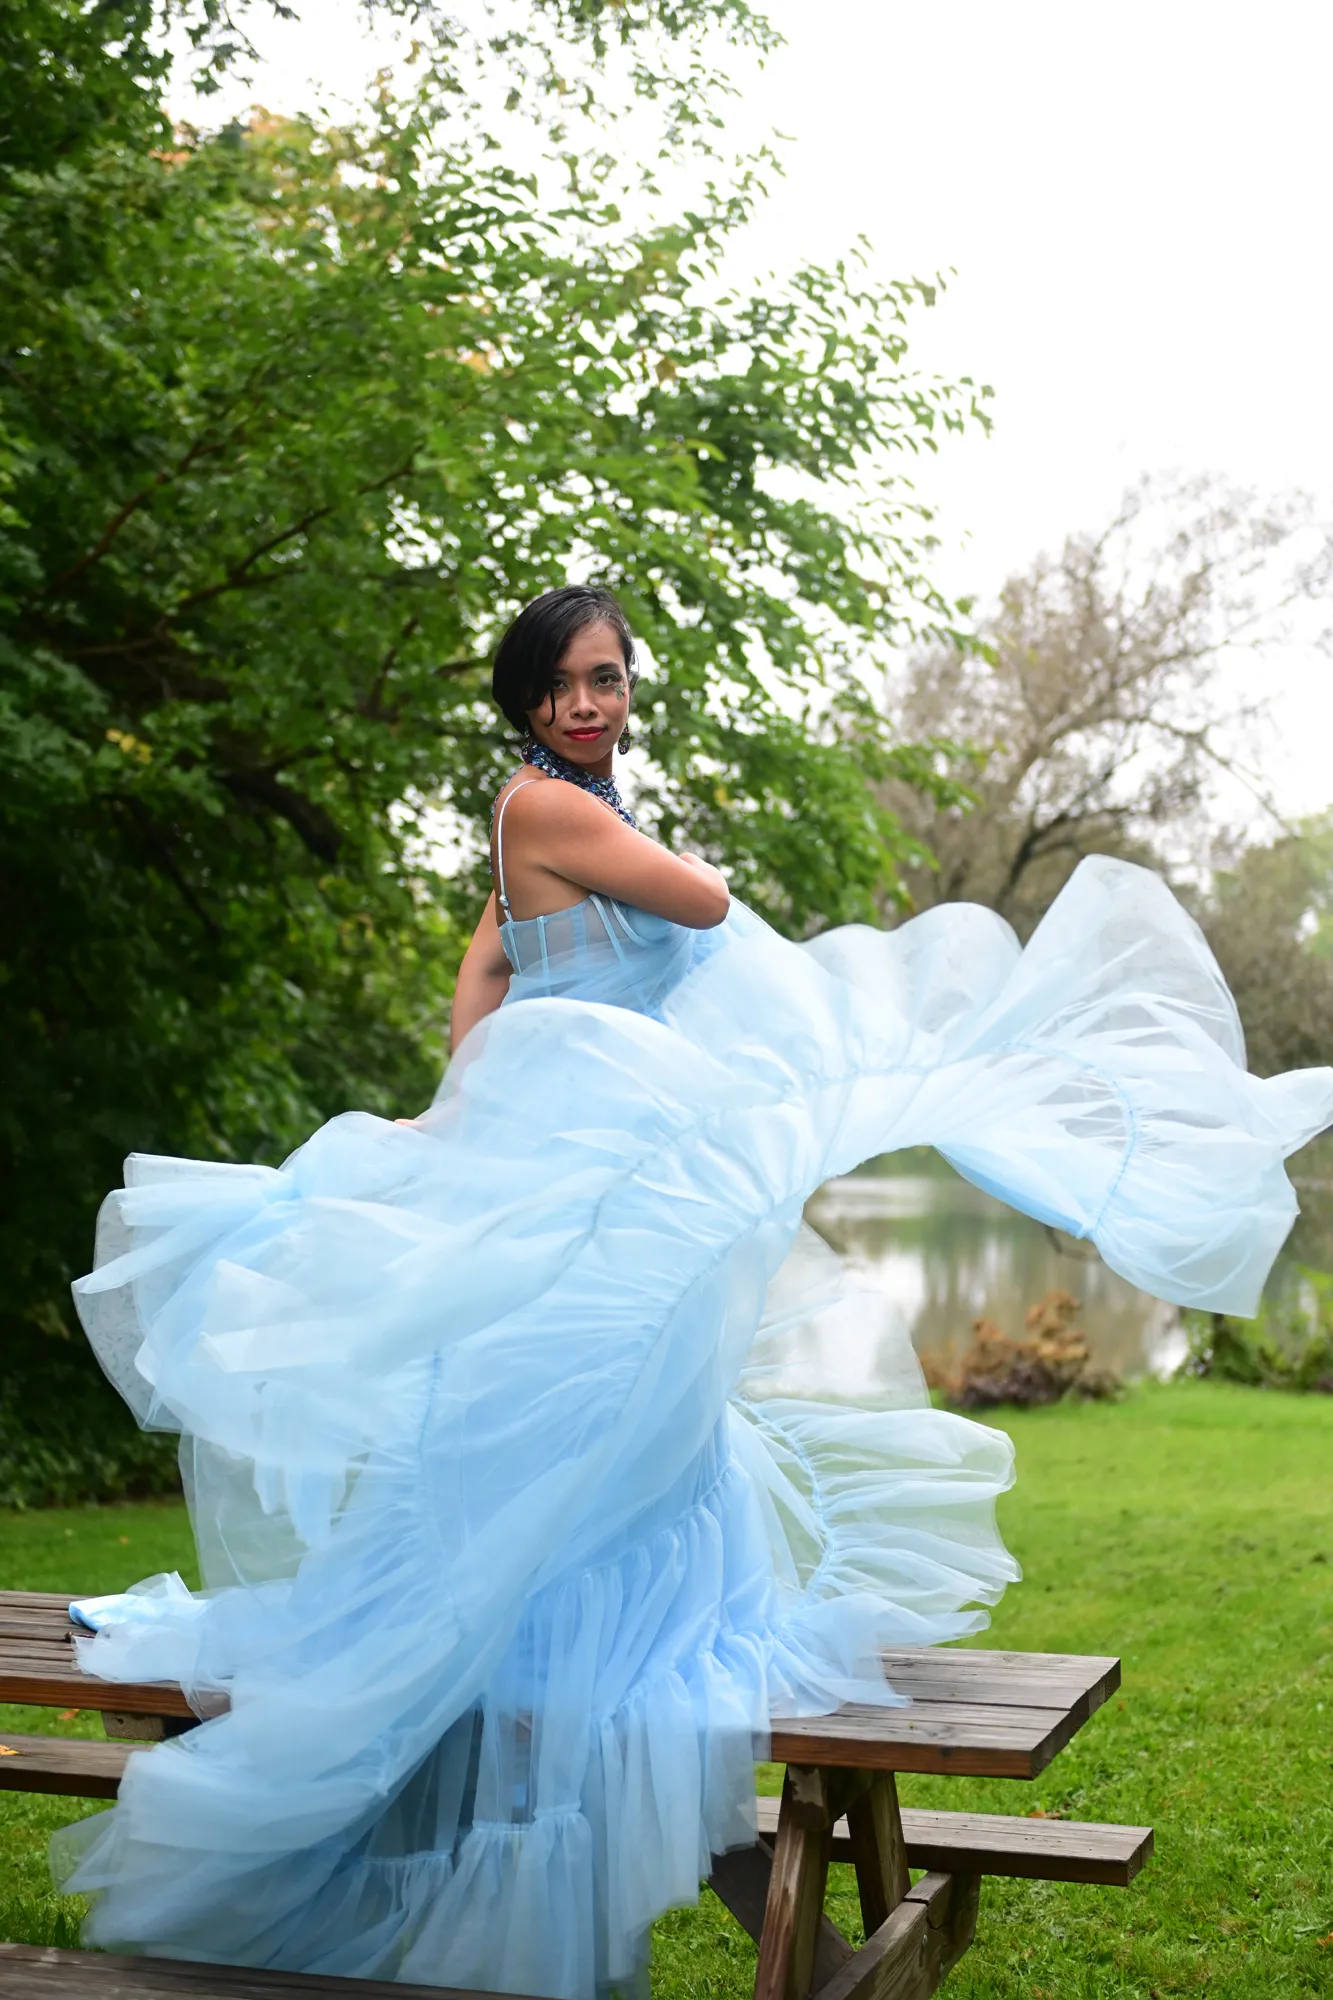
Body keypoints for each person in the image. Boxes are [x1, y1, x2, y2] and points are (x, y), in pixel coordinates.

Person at [57, 585, 1333, 2000]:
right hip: (594, 1205)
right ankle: (630, 1840)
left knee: (629, 1509)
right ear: (528, 704)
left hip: (604, 1190)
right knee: (566, 1511)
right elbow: (705, 902)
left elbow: (489, 959)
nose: (590, 705)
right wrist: (507, 1082)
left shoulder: (547, 829)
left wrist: (465, 1091)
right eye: (565, 686)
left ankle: (743, 1875)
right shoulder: (543, 808)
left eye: (608, 679)